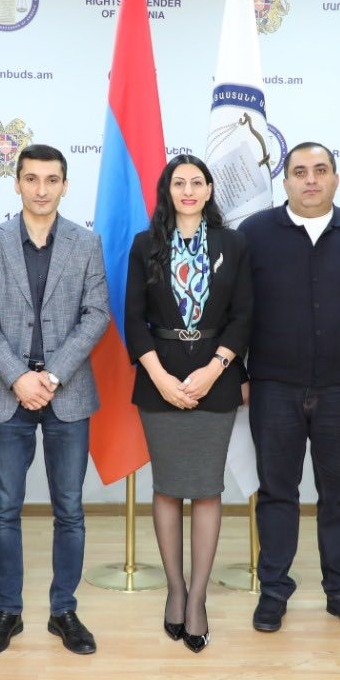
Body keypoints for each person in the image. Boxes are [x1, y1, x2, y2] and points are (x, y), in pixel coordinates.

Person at [0, 145, 109, 656]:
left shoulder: (86, 243)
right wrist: (18, 377)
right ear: (17, 184)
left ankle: (63, 610)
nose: (41, 189)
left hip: (68, 394)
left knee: (69, 509)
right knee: (5, 508)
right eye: (31, 179)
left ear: (65, 185)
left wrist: (52, 375)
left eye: (51, 180)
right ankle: (7, 611)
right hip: (9, 396)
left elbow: (97, 313)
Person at [239, 143, 340, 635]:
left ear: (336, 178)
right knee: (277, 494)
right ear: (285, 183)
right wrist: (240, 376)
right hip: (273, 387)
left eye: (320, 170)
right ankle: (273, 592)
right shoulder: (255, 233)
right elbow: (238, 312)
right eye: (299, 172)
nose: (311, 180)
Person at [125, 154, 252, 653]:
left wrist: (214, 368)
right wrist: (159, 376)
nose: (189, 190)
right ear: (168, 190)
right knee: (168, 486)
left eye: (197, 182)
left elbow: (244, 315)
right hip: (159, 378)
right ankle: (174, 591)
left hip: (216, 378)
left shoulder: (232, 244)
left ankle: (197, 599)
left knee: (204, 488)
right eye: (179, 183)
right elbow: (133, 318)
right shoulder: (146, 244)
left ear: (209, 188)